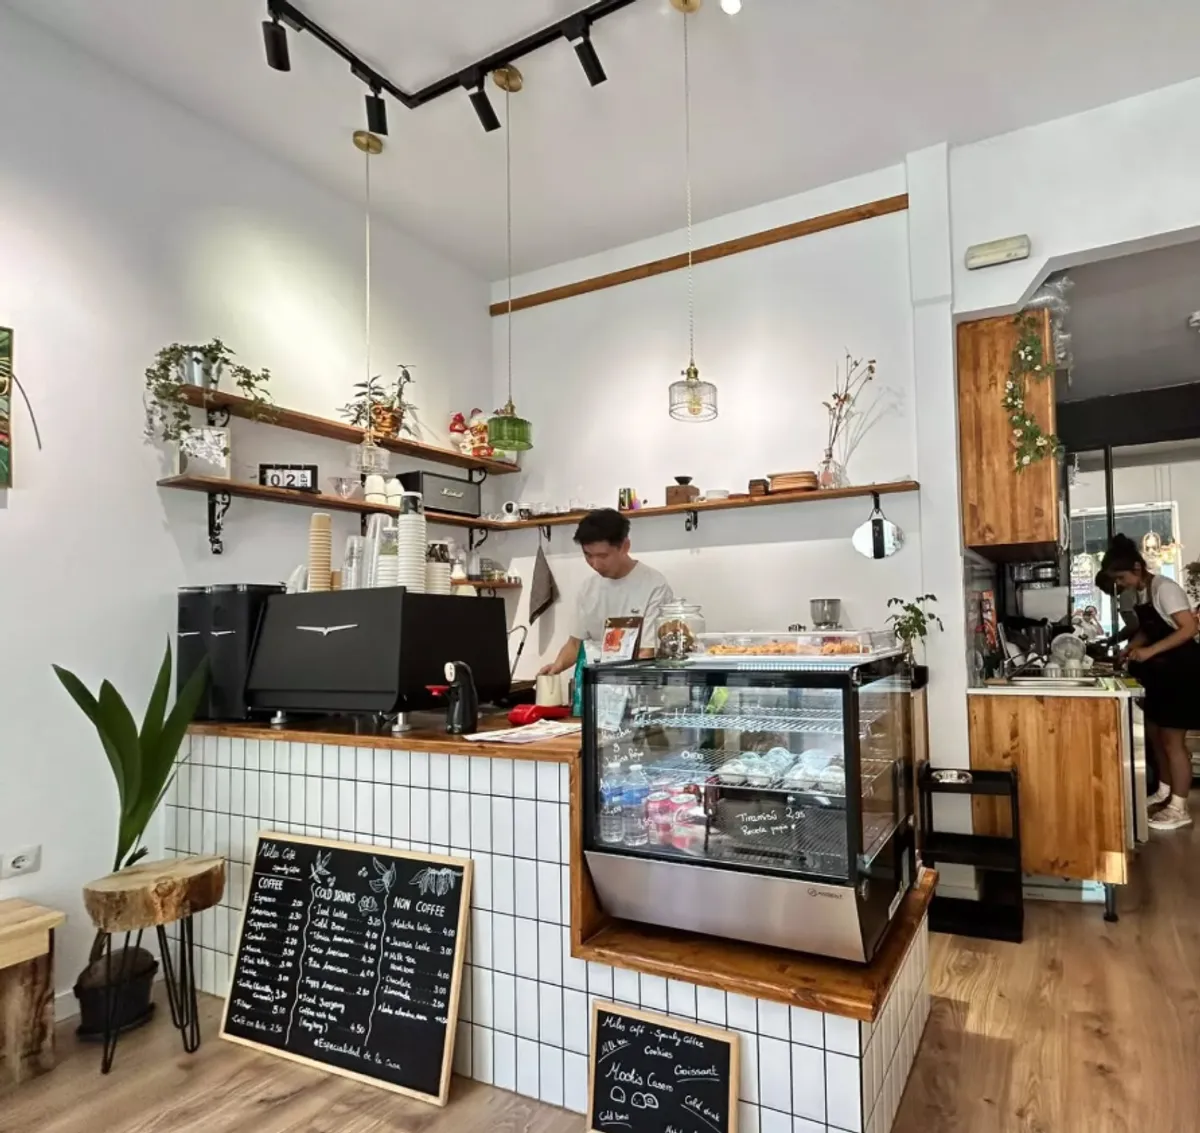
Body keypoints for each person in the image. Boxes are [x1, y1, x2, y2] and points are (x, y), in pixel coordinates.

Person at [1101, 534, 1200, 831]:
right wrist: (1131, 648)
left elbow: (1188, 628)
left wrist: (1149, 651)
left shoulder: (1165, 589)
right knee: (1157, 734)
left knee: (1173, 741)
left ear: (1137, 567)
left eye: (1121, 577)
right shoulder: (1142, 592)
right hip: (1163, 672)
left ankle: (1180, 807)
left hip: (1183, 670)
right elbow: (1148, 629)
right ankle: (1165, 791)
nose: (1119, 584)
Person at [538, 509, 674, 675]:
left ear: (625, 546)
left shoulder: (654, 585)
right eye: (588, 555)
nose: (595, 564)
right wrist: (556, 667)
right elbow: (575, 643)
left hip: (638, 685)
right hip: (598, 685)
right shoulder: (588, 588)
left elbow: (647, 652)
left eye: (603, 556)